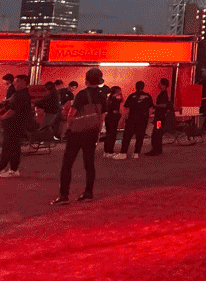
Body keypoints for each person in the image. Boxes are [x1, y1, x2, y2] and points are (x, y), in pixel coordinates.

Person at [52, 67, 106, 204]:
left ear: (86, 80)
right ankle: (88, 193)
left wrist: (68, 126)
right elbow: (101, 117)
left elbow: (72, 114)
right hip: (92, 132)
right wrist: (98, 133)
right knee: (89, 164)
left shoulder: (82, 94)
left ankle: (64, 196)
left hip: (77, 133)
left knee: (67, 164)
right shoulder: (102, 95)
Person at [0, 73, 32, 177]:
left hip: (15, 125)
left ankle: (13, 169)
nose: (14, 84)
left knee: (12, 146)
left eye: (17, 82)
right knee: (8, 146)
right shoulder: (19, 94)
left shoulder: (21, 95)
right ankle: (2, 167)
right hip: (13, 125)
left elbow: (13, 110)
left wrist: (1, 117)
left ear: (23, 82)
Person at [117, 81, 153, 159]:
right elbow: (150, 109)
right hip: (143, 120)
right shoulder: (148, 96)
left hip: (132, 119)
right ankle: (136, 153)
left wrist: (123, 119)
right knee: (140, 137)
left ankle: (123, 153)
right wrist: (148, 118)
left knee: (127, 136)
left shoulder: (131, 96)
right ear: (143, 87)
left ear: (135, 87)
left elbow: (126, 109)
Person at [146, 78, 171, 155]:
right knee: (158, 132)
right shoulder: (164, 93)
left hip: (159, 118)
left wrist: (155, 106)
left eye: (160, 83)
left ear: (163, 85)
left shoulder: (163, 94)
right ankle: (158, 149)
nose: (158, 84)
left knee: (157, 132)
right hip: (160, 117)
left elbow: (164, 105)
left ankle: (156, 149)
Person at [102, 86, 123, 155]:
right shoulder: (115, 100)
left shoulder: (108, 99)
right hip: (113, 118)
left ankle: (106, 150)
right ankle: (110, 151)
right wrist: (120, 115)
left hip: (108, 117)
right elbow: (115, 110)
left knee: (108, 134)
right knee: (112, 134)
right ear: (117, 91)